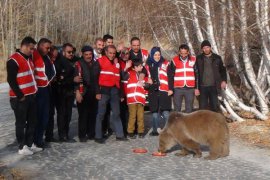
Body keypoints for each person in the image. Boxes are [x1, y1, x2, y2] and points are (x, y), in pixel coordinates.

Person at [7, 36, 41, 155]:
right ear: (24, 46)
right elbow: (11, 80)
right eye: (31, 49)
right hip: (20, 98)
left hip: (31, 96)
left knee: (32, 121)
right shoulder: (13, 60)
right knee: (21, 123)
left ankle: (30, 144)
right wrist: (20, 96)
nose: (33, 51)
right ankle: (22, 147)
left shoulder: (29, 59)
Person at [94, 45, 128, 143]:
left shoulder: (117, 63)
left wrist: (121, 94)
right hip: (103, 90)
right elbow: (95, 78)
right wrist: (97, 92)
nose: (112, 55)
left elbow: (119, 79)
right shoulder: (100, 61)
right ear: (106, 52)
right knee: (101, 114)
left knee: (116, 113)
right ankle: (98, 136)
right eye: (110, 53)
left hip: (114, 91)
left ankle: (120, 135)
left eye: (114, 53)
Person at [32, 38, 56, 148]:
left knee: (44, 116)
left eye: (49, 48)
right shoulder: (32, 56)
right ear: (40, 46)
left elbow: (51, 71)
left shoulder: (47, 57)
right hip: (36, 89)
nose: (48, 50)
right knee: (35, 116)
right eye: (47, 48)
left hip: (46, 89)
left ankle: (39, 139)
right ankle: (32, 140)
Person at [145, 47, 173, 136]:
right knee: (154, 112)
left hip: (164, 90)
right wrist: (147, 80)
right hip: (153, 90)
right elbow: (142, 76)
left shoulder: (166, 63)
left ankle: (169, 130)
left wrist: (171, 89)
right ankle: (155, 130)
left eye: (158, 54)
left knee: (166, 112)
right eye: (155, 55)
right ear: (152, 55)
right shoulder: (147, 65)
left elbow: (170, 77)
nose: (157, 56)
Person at [74, 46, 97, 142]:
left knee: (93, 114)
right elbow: (75, 80)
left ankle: (91, 133)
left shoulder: (95, 63)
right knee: (83, 115)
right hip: (83, 92)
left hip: (93, 92)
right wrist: (77, 93)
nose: (88, 56)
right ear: (82, 54)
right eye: (86, 54)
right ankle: (82, 135)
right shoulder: (78, 64)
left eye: (90, 54)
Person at [196, 40, 227, 112]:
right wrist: (196, 88)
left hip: (214, 86)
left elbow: (223, 70)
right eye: (204, 48)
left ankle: (214, 122)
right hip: (202, 87)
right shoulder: (198, 58)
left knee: (214, 107)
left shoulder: (217, 58)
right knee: (202, 108)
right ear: (202, 49)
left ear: (210, 47)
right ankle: (203, 123)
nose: (206, 49)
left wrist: (224, 81)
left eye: (207, 47)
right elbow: (195, 73)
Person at [54, 43, 77, 142]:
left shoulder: (76, 60)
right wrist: (72, 79)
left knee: (69, 113)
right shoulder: (58, 63)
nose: (71, 54)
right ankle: (61, 134)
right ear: (63, 52)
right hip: (61, 92)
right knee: (62, 114)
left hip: (70, 92)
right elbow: (59, 79)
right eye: (69, 52)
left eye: (72, 52)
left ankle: (66, 133)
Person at [123, 59, 147, 139]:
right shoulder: (130, 73)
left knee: (140, 116)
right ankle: (130, 132)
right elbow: (123, 76)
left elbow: (148, 85)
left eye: (142, 66)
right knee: (132, 116)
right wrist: (126, 68)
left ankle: (140, 132)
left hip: (140, 99)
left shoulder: (143, 75)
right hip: (131, 99)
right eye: (140, 66)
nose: (141, 67)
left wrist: (145, 84)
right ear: (135, 67)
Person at [171, 44, 199, 113]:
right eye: (181, 53)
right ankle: (177, 123)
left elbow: (197, 74)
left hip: (190, 88)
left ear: (188, 52)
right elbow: (171, 75)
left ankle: (187, 123)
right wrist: (171, 89)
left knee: (189, 110)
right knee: (177, 110)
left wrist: (196, 88)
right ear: (179, 52)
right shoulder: (174, 60)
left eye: (185, 53)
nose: (183, 55)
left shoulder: (193, 59)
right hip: (177, 88)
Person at [45, 45, 60, 142]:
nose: (54, 58)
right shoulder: (46, 62)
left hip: (55, 91)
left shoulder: (56, 62)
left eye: (56, 56)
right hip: (45, 90)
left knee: (51, 114)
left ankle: (49, 136)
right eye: (53, 56)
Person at [119, 47, 133, 137]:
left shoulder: (132, 62)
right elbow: (119, 77)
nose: (125, 55)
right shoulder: (118, 62)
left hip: (131, 90)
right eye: (123, 53)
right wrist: (125, 68)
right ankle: (123, 131)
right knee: (122, 112)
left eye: (127, 53)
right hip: (122, 89)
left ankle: (131, 130)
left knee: (131, 112)